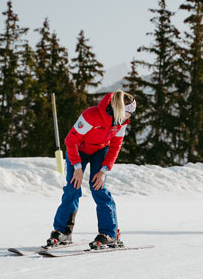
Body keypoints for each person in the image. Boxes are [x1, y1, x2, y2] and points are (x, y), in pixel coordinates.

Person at [45, 90, 136, 249]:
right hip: (78, 150)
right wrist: (77, 167)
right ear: (121, 109)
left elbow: (115, 146)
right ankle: (63, 232)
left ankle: (109, 233)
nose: (131, 116)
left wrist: (104, 170)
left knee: (98, 188)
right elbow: (70, 140)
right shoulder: (91, 115)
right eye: (130, 112)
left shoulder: (121, 123)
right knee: (72, 188)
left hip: (100, 151)